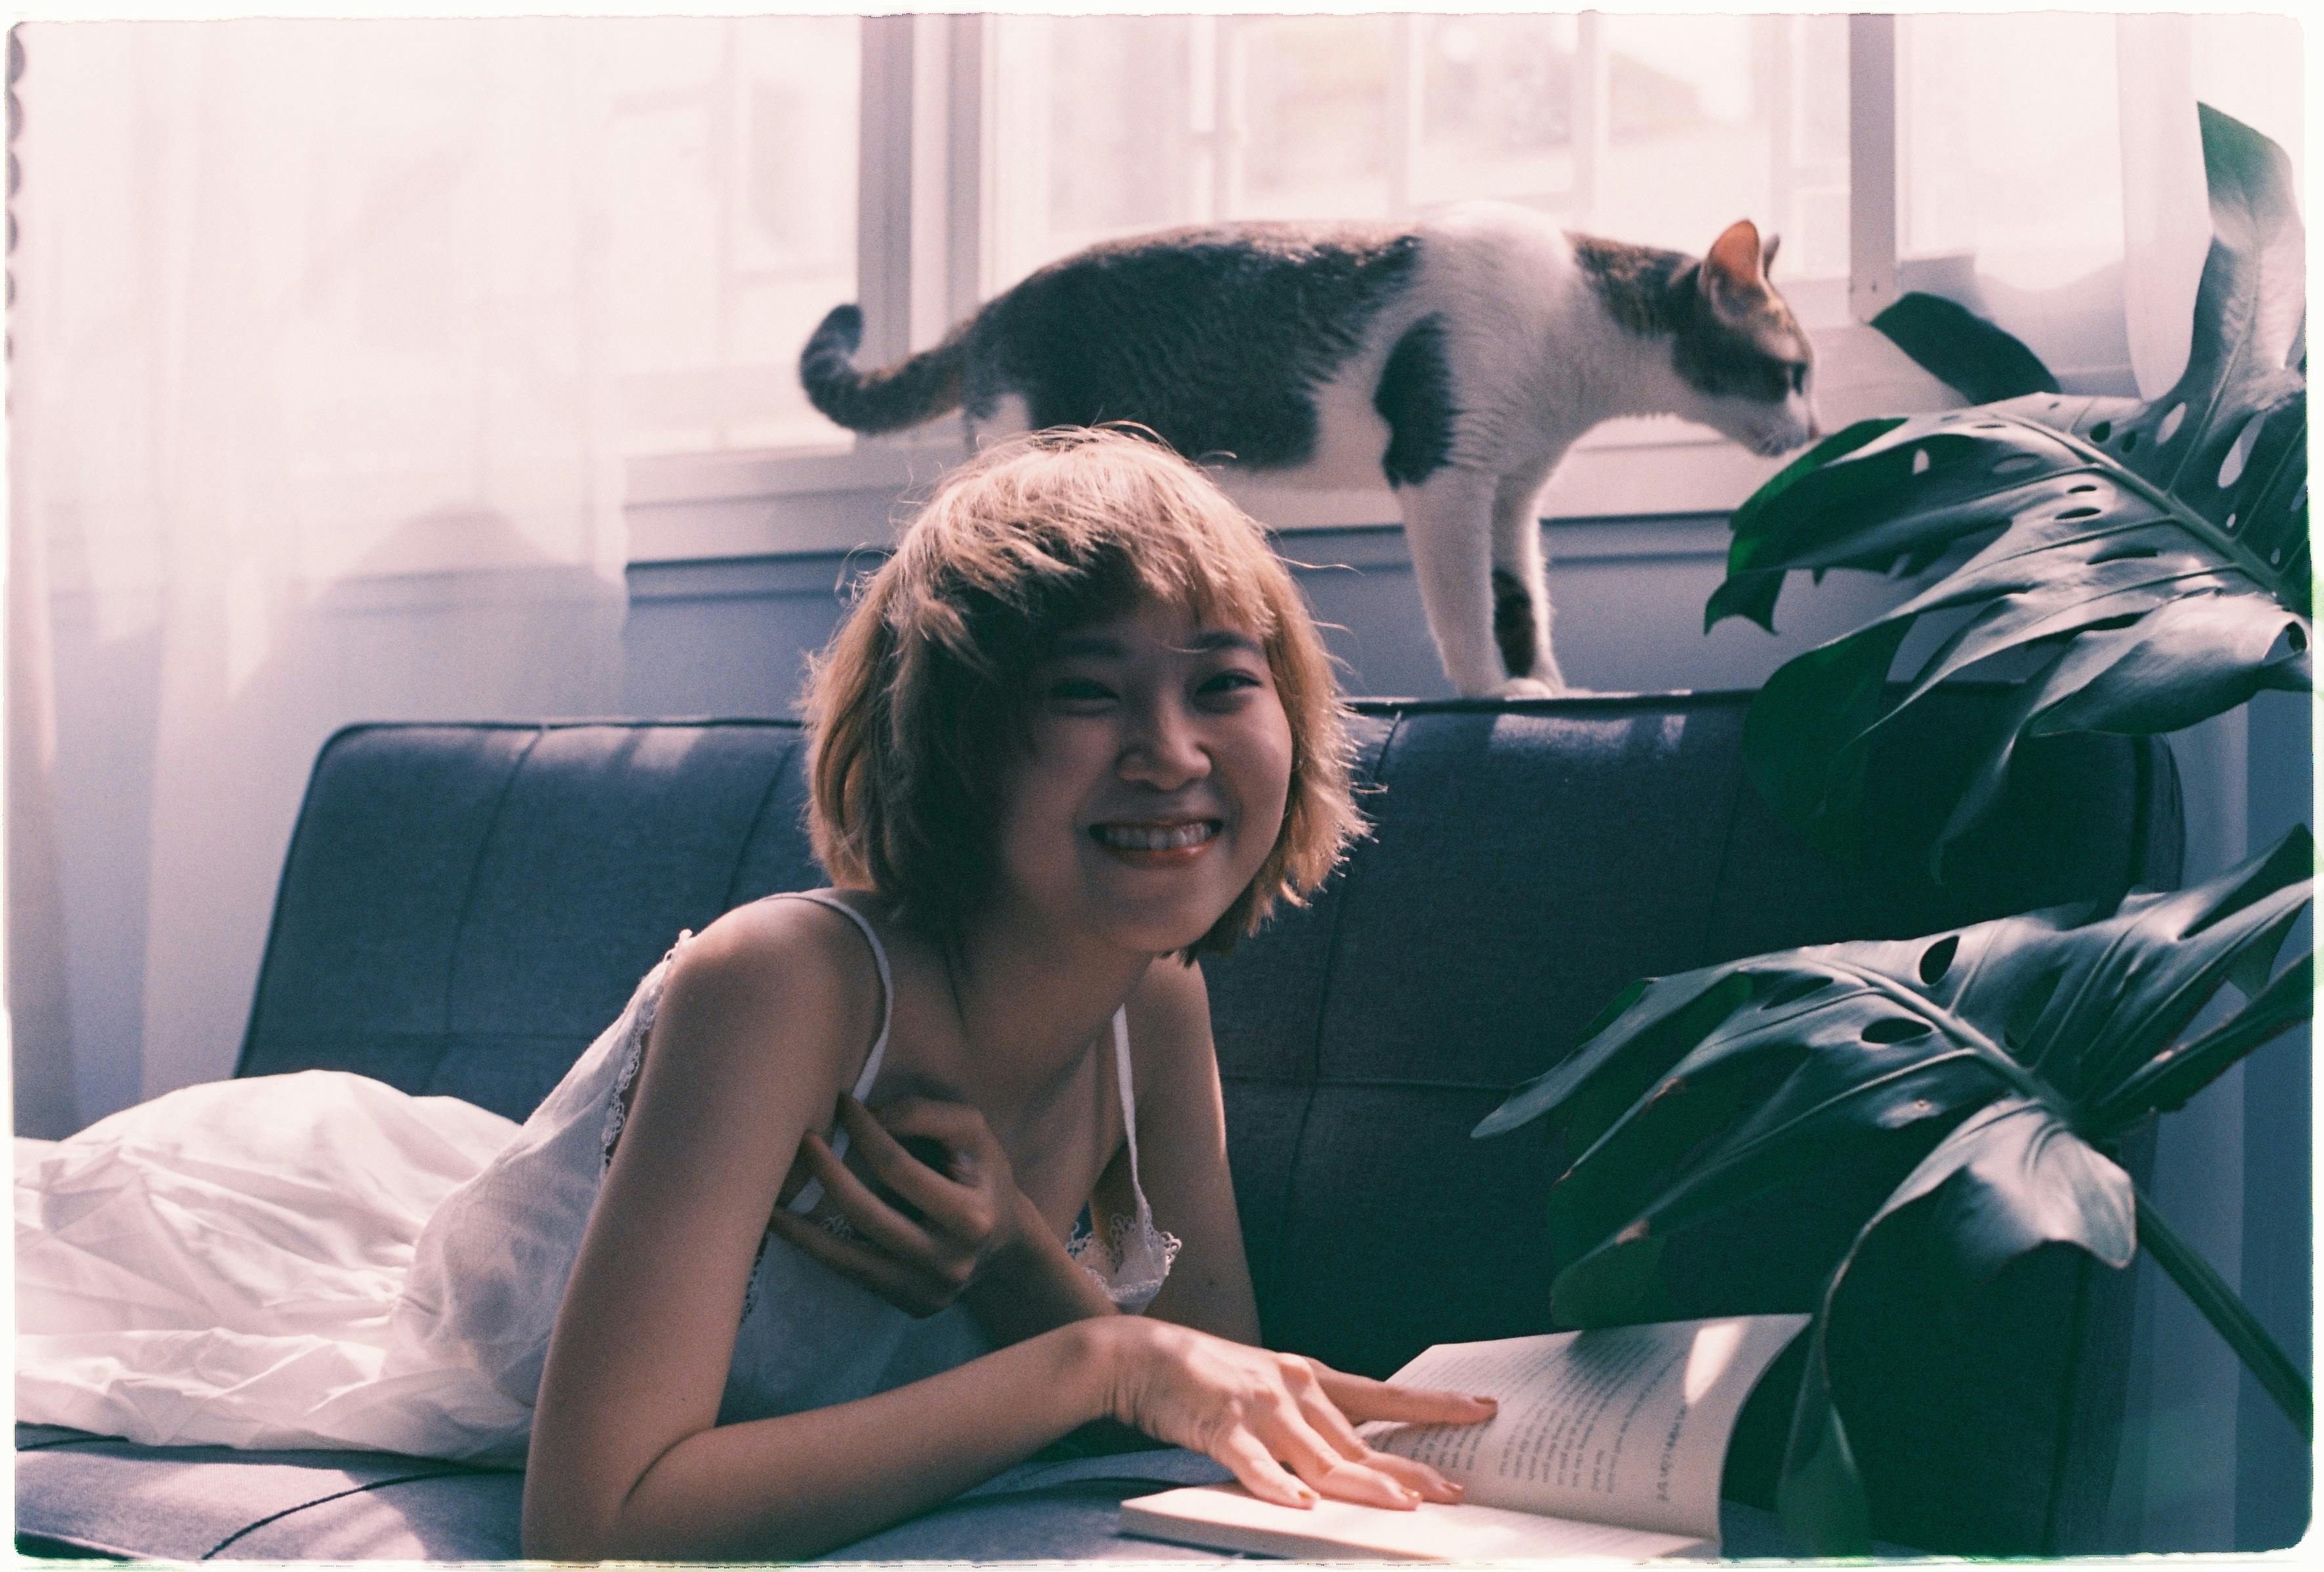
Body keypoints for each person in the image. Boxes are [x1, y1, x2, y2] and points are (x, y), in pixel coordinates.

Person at [15, 426, 1496, 1560]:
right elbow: (599, 1513)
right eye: (1084, 690)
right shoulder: (782, 980)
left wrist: (1015, 1272)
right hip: (287, 1245)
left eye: (1221, 683)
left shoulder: (1151, 1000)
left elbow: (1193, 1388)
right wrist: (1095, 1350)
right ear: (958, 742)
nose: (1168, 749)